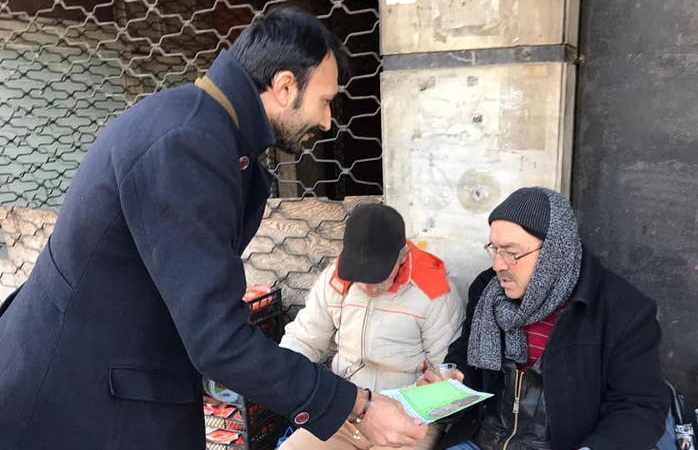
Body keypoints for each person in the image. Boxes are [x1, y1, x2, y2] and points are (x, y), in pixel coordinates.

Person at [0, 8, 426, 450]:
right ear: (285, 87)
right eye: (324, 100)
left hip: (110, 380)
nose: (326, 121)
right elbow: (218, 339)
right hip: (72, 400)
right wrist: (356, 405)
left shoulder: (202, 128)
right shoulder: (186, 144)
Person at [418, 187, 669, 450]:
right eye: (495, 249)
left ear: (554, 251)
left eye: (512, 253)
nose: (498, 265)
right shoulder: (488, 290)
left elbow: (640, 407)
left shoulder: (623, 311)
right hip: (481, 441)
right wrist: (451, 385)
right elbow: (466, 356)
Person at [278, 203, 465, 450]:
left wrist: (432, 389)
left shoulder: (435, 290)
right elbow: (304, 339)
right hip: (347, 406)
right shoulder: (335, 279)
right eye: (359, 275)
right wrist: (279, 375)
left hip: (406, 415)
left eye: (377, 275)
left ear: (402, 257)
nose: (367, 287)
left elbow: (446, 368)